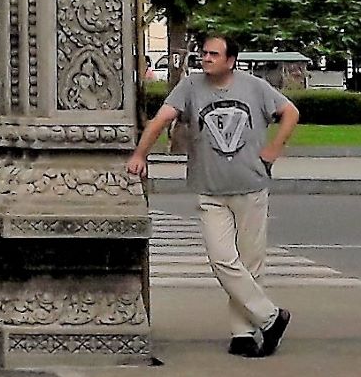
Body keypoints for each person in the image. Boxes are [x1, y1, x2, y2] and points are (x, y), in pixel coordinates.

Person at [128, 32, 301, 359]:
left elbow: (290, 112)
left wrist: (273, 150)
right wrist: (141, 154)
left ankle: (242, 334)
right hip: (209, 190)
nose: (206, 59)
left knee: (250, 264)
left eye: (213, 54)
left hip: (251, 186)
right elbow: (162, 119)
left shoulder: (254, 86)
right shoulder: (190, 88)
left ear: (230, 60)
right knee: (223, 259)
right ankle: (271, 317)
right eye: (204, 54)